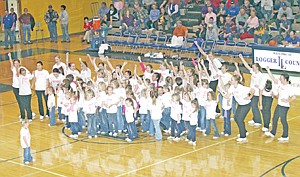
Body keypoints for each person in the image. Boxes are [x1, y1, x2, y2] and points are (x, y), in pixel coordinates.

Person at [265, 67, 296, 142]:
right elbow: (273, 78)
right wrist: (268, 70)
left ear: (285, 80)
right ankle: (273, 132)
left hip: (284, 106)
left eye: (281, 78)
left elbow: (294, 97)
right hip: (279, 105)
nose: (280, 79)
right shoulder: (281, 84)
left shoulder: (289, 87)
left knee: (283, 120)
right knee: (275, 118)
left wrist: (287, 100)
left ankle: (285, 136)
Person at [226, 75, 255, 142]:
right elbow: (228, 96)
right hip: (240, 105)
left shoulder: (241, 87)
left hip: (246, 105)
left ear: (236, 81)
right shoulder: (231, 87)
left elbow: (253, 90)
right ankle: (244, 131)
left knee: (239, 119)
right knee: (236, 118)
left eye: (232, 80)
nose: (231, 81)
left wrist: (250, 97)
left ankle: (243, 137)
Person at [239, 54, 264, 126]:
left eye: (253, 67)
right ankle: (255, 119)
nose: (252, 68)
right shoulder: (253, 72)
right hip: (251, 91)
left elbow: (262, 85)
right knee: (252, 105)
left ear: (257, 68)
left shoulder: (261, 75)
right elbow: (246, 66)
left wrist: (258, 86)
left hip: (256, 93)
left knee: (254, 106)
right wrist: (242, 58)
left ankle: (258, 121)